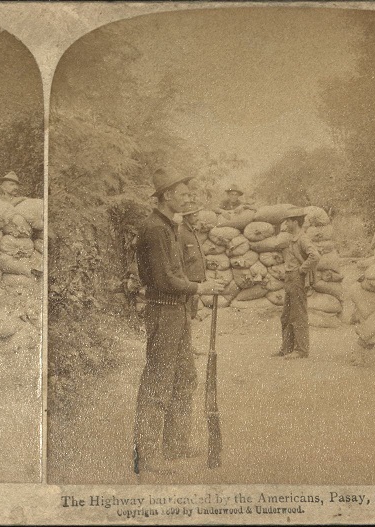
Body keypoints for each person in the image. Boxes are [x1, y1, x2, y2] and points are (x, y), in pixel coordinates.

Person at [134, 168, 228, 474]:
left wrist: (198, 283)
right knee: (158, 382)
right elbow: (164, 278)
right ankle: (146, 454)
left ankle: (175, 444)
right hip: (163, 311)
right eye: (182, 191)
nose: (187, 196)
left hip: (178, 310)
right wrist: (200, 287)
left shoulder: (170, 226)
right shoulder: (155, 229)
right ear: (167, 195)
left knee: (185, 376)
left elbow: (178, 272)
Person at [273, 208, 320, 360]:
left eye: (288, 220)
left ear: (295, 222)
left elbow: (315, 256)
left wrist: (302, 269)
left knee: (298, 314)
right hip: (290, 278)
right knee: (286, 316)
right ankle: (287, 348)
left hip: (297, 278)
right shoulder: (292, 238)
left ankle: (301, 350)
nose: (286, 223)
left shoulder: (302, 239)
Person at [178, 203, 207, 320]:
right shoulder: (181, 233)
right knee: (186, 308)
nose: (198, 217)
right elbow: (178, 258)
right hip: (188, 278)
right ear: (187, 217)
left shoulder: (193, 231)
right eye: (195, 215)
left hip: (197, 277)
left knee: (193, 305)